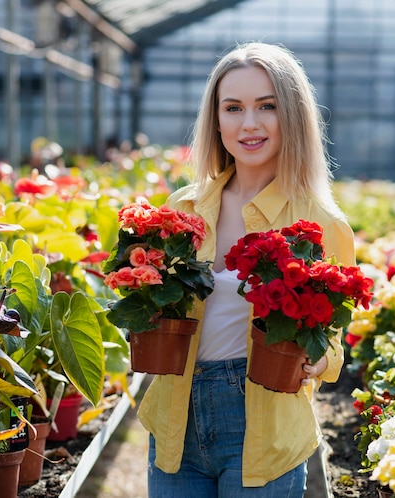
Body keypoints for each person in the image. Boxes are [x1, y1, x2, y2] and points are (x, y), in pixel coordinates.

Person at [137, 41, 355, 497]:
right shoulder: (185, 207)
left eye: (267, 106)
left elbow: (333, 338)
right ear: (216, 120)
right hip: (176, 419)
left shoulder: (319, 223)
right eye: (233, 107)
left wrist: (318, 360)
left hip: (262, 425)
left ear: (291, 115)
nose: (249, 123)